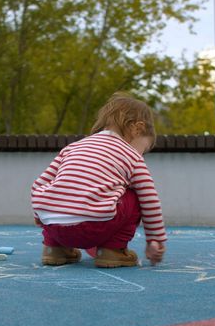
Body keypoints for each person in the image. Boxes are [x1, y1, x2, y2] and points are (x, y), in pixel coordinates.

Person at [30, 92, 167, 268]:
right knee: (135, 194)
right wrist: (155, 239)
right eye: (143, 148)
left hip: (54, 227)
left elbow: (39, 184)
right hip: (96, 227)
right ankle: (112, 251)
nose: (141, 154)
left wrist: (39, 215)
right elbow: (150, 199)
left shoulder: (72, 148)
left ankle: (54, 249)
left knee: (60, 192)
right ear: (137, 128)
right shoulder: (132, 156)